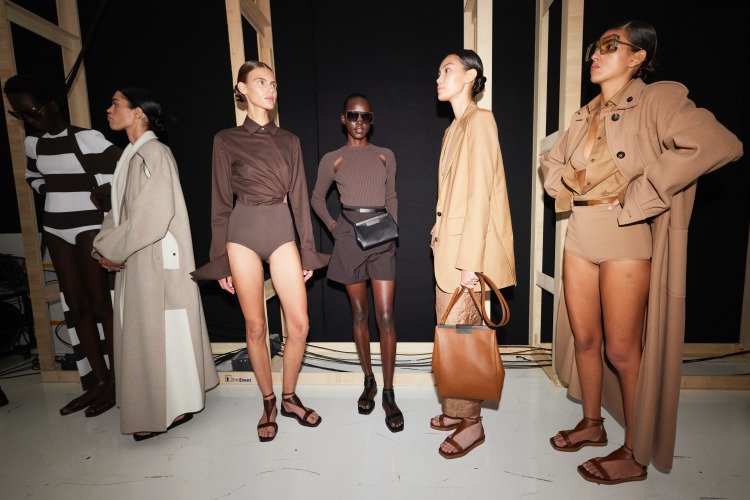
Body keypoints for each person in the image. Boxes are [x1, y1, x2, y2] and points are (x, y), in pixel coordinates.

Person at [541, 20, 743, 485]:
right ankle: (592, 424)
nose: (596, 54)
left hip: (625, 234)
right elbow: (551, 161)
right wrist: (565, 183)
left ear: (637, 57)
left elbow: (720, 144)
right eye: (595, 47)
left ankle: (634, 452)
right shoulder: (585, 112)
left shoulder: (657, 99)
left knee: (622, 350)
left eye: (610, 46)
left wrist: (643, 193)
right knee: (585, 339)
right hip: (581, 231)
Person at [191, 61, 329, 442]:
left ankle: (289, 397)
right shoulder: (226, 139)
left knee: (299, 325)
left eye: (273, 83)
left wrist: (307, 250)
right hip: (242, 233)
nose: (270, 89)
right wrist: (220, 260)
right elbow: (221, 203)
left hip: (281, 230)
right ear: (242, 89)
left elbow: (299, 200)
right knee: (255, 326)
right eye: (261, 82)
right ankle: (268, 401)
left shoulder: (290, 140)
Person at [92, 87, 219, 441]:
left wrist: (112, 249)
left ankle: (174, 406)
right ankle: (157, 404)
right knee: (150, 334)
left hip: (157, 258)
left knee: (164, 333)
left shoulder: (154, 153)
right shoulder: (132, 155)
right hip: (139, 256)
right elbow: (119, 212)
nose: (108, 110)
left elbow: (153, 217)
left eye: (115, 104)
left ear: (139, 113)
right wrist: (104, 249)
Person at [3, 74, 119, 418]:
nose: (29, 120)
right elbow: (33, 176)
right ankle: (98, 381)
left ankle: (116, 382)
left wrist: (101, 195)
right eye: (21, 115)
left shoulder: (87, 138)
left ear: (53, 105)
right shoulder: (33, 144)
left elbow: (123, 172)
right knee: (77, 306)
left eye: (34, 112)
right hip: (54, 226)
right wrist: (48, 191)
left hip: (88, 227)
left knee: (102, 305)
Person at [429, 50, 516, 459]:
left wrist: (471, 262)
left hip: (466, 257)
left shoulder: (481, 121)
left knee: (464, 339)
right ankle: (456, 409)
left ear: (470, 76)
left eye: (447, 70)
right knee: (452, 334)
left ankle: (473, 424)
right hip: (448, 252)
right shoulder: (453, 129)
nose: (439, 77)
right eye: (439, 71)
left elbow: (481, 194)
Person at [311, 93, 403, 432]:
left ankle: (389, 393)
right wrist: (334, 228)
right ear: (343, 119)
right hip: (349, 239)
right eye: (353, 115)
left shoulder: (384, 155)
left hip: (381, 238)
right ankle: (369, 381)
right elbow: (316, 198)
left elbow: (391, 195)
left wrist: (392, 230)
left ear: (371, 119)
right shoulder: (332, 159)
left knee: (386, 316)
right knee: (360, 313)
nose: (359, 122)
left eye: (365, 116)